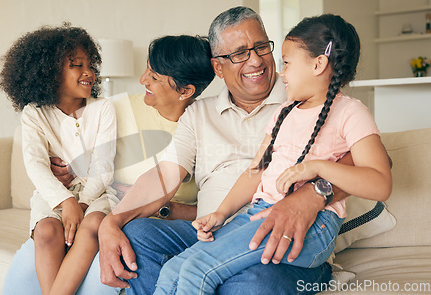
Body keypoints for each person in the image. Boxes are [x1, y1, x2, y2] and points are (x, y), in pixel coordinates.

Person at [97, 7, 358, 295]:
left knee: (252, 281)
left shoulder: (306, 96)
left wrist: (313, 195)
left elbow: (369, 160)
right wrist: (113, 220)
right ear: (218, 67)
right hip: (212, 236)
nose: (256, 60)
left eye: (261, 46)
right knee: (138, 235)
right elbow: (166, 174)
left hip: (279, 238)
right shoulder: (199, 114)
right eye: (239, 53)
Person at [153, 14, 392, 295]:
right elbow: (255, 171)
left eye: (287, 62)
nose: (282, 72)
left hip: (314, 225)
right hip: (257, 212)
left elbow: (380, 182)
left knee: (197, 271)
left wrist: (318, 168)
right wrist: (221, 213)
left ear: (318, 64)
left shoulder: (350, 112)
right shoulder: (285, 111)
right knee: (174, 269)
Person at [1, 34, 215, 294]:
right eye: (146, 69)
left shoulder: (206, 128)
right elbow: (64, 138)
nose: (142, 80)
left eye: (155, 77)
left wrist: (164, 209)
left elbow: (219, 207)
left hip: (136, 224)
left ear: (186, 90)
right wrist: (65, 170)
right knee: (33, 257)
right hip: (87, 210)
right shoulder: (114, 109)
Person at [0, 24, 119, 295]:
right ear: (50, 72)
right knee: (46, 233)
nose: (88, 72)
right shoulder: (34, 114)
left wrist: (82, 203)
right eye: (76, 65)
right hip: (54, 193)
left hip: (96, 192)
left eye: (91, 65)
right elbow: (36, 164)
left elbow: (104, 166)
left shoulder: (103, 109)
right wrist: (65, 202)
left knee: (91, 226)